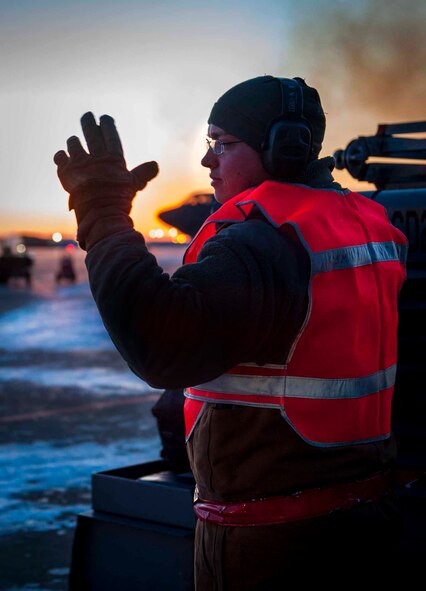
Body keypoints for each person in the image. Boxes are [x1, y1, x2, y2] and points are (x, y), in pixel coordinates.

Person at [54, 76, 408, 587]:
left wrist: (104, 212)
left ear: (282, 148)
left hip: (277, 545)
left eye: (223, 143)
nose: (208, 161)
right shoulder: (365, 224)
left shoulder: (265, 240)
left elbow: (158, 343)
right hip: (364, 518)